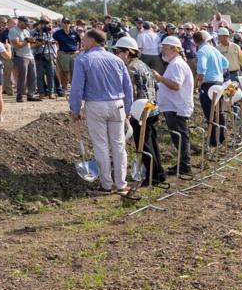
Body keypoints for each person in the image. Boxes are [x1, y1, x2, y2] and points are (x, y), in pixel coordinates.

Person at [68, 29, 133, 195]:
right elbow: (128, 87)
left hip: (96, 105)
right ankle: (121, 183)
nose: (82, 42)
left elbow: (76, 88)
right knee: (119, 145)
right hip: (117, 104)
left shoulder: (83, 60)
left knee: (101, 145)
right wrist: (128, 108)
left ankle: (106, 184)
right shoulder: (117, 60)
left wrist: (75, 109)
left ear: (93, 41)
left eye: (84, 39)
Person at [113, 36, 166, 187]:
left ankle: (152, 177)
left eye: (118, 52)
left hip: (140, 111)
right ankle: (158, 174)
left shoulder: (131, 68)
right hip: (151, 108)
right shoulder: (143, 65)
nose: (116, 55)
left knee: (143, 144)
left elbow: (131, 91)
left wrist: (128, 111)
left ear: (127, 52)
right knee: (152, 142)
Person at [154, 35, 194, 177]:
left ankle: (185, 165)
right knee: (179, 137)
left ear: (174, 49)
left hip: (176, 106)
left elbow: (176, 85)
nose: (163, 51)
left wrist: (159, 78)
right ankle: (183, 163)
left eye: (166, 48)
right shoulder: (175, 63)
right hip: (174, 105)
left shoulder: (176, 64)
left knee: (180, 137)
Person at [194, 30, 229, 146]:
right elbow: (226, 63)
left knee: (209, 112)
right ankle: (221, 137)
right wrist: (218, 71)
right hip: (219, 83)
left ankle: (213, 139)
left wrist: (199, 80)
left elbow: (202, 68)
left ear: (195, 42)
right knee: (219, 111)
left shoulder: (201, 51)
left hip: (209, 84)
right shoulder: (214, 49)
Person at [8, 17, 39, 102]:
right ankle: (19, 95)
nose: (27, 25)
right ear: (20, 22)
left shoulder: (26, 31)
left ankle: (31, 95)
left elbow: (30, 45)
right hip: (20, 56)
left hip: (30, 55)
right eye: (26, 24)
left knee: (33, 76)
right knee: (22, 77)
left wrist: (37, 43)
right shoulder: (13, 31)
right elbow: (16, 45)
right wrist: (27, 41)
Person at [32, 19, 60, 99]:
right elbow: (32, 45)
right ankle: (41, 92)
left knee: (51, 75)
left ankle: (51, 92)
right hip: (39, 55)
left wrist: (51, 42)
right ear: (39, 24)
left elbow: (54, 42)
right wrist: (40, 44)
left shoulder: (49, 33)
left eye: (47, 24)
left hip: (49, 55)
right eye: (43, 24)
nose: (45, 25)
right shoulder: (35, 34)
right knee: (40, 75)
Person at [54, 18, 79, 94]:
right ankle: (64, 88)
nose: (66, 24)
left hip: (73, 54)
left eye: (67, 22)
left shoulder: (74, 32)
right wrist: (58, 50)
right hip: (64, 54)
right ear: (61, 23)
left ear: (70, 24)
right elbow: (53, 41)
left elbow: (80, 41)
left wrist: (78, 50)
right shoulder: (57, 33)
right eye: (64, 22)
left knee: (74, 72)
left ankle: (73, 88)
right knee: (64, 72)